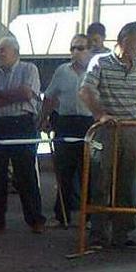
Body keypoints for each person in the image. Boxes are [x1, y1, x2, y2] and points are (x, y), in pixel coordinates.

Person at [80, 21, 136, 249]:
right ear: (123, 40)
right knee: (101, 180)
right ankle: (98, 235)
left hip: (131, 129)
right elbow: (86, 90)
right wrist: (101, 115)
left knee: (128, 182)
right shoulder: (100, 62)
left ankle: (123, 233)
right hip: (107, 129)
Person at [0, 36, 44, 233]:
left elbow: (26, 93)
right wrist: (12, 95)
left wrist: (0, 97)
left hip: (21, 124)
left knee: (25, 173)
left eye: (2, 50)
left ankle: (35, 219)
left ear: (15, 52)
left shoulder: (29, 69)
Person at [40, 34, 96, 227]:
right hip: (66, 122)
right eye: (72, 48)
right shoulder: (62, 71)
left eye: (80, 48)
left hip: (89, 123)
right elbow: (49, 96)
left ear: (89, 51)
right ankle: (61, 215)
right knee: (64, 171)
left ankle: (89, 217)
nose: (75, 52)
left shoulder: (96, 71)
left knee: (88, 172)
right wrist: (43, 119)